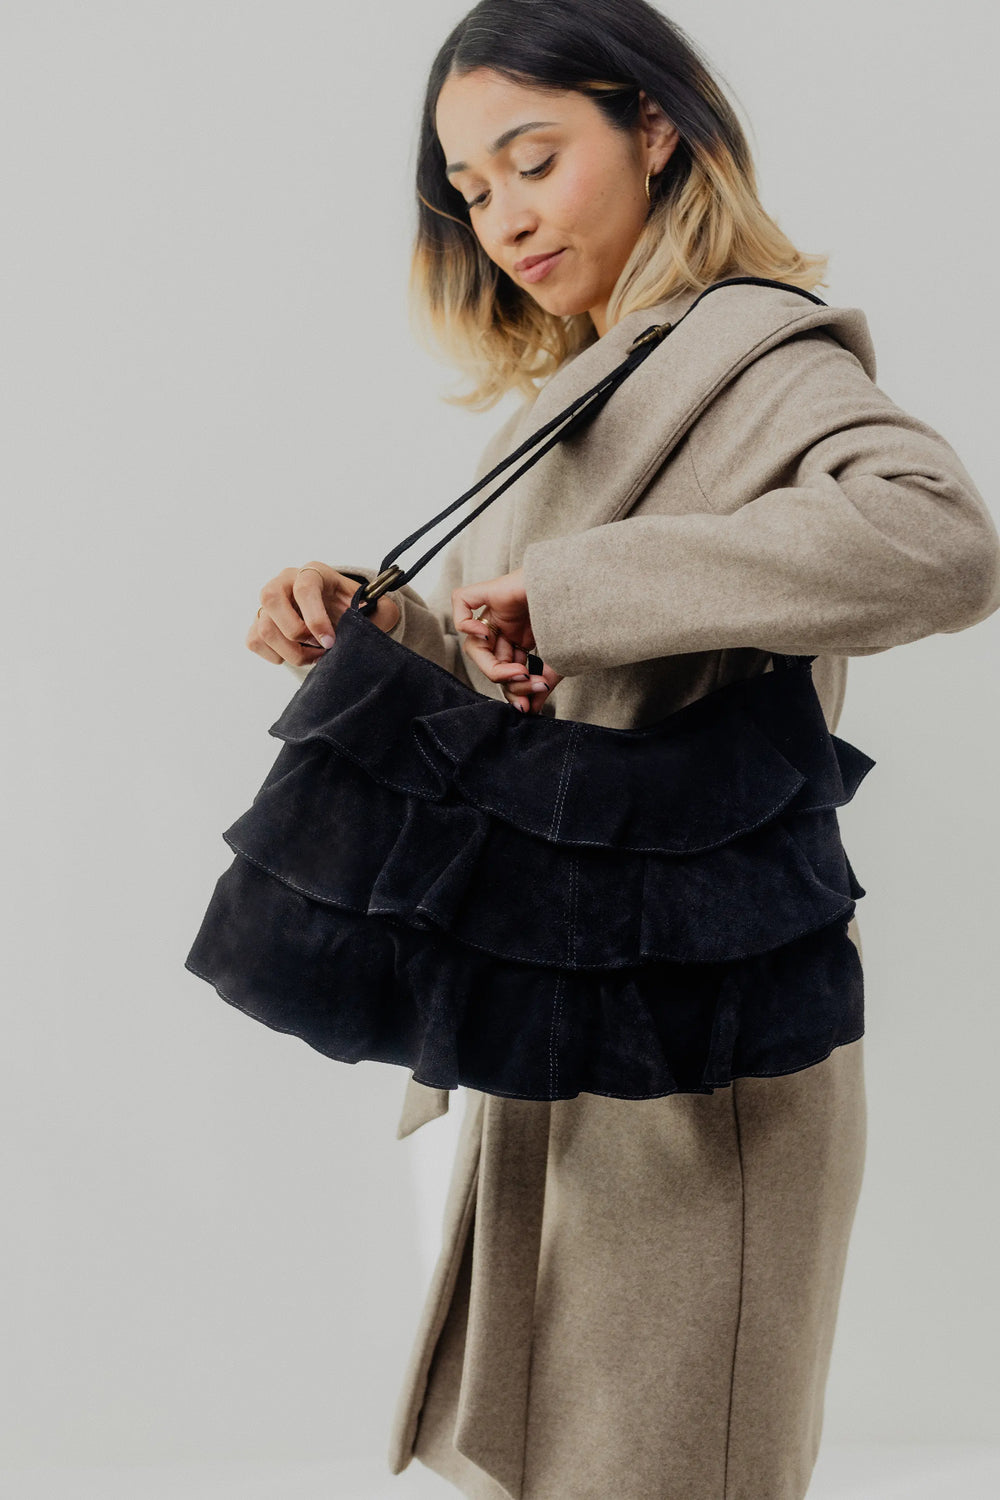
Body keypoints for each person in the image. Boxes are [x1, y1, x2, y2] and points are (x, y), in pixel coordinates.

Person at [247, 3, 1000, 1496]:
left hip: (700, 1051)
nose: (505, 217)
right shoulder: (581, 392)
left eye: (534, 159)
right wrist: (375, 627)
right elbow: (530, 684)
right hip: (582, 1015)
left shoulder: (755, 350)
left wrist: (585, 595)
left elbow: (942, 538)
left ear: (655, 128)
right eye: (471, 190)